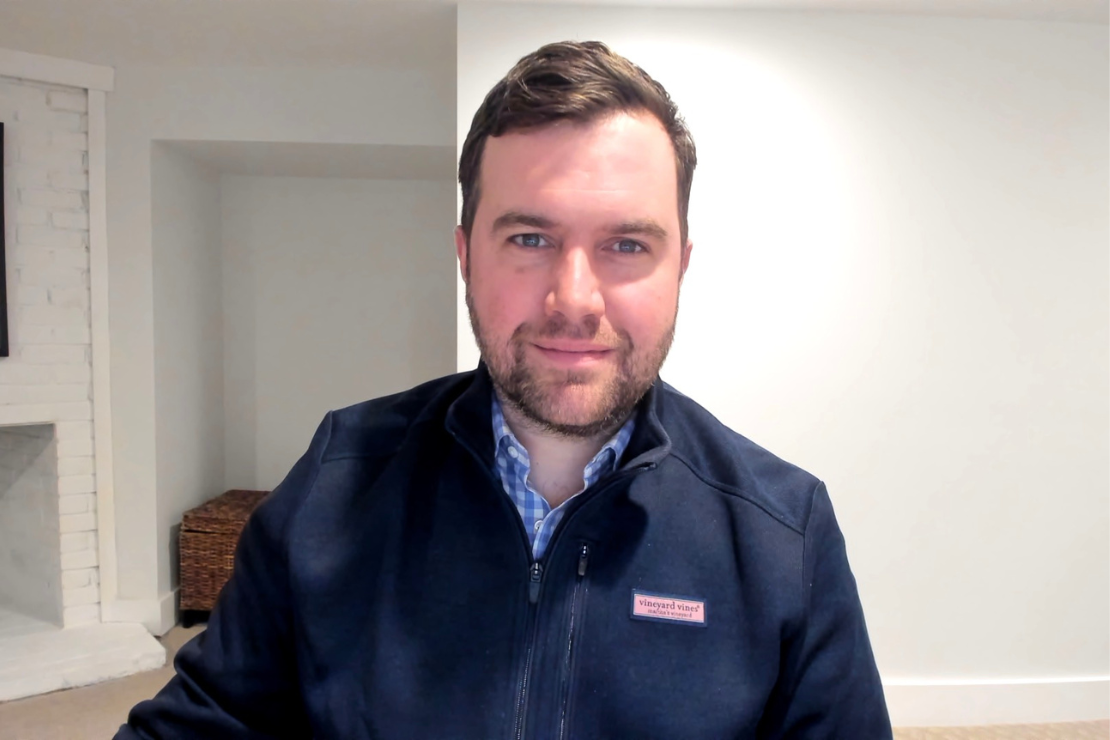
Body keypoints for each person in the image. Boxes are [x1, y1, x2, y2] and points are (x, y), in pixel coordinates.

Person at [117, 40, 891, 739]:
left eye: (627, 244)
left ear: (681, 266)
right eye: (529, 238)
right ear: (465, 255)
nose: (575, 298)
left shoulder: (782, 535)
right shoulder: (339, 482)